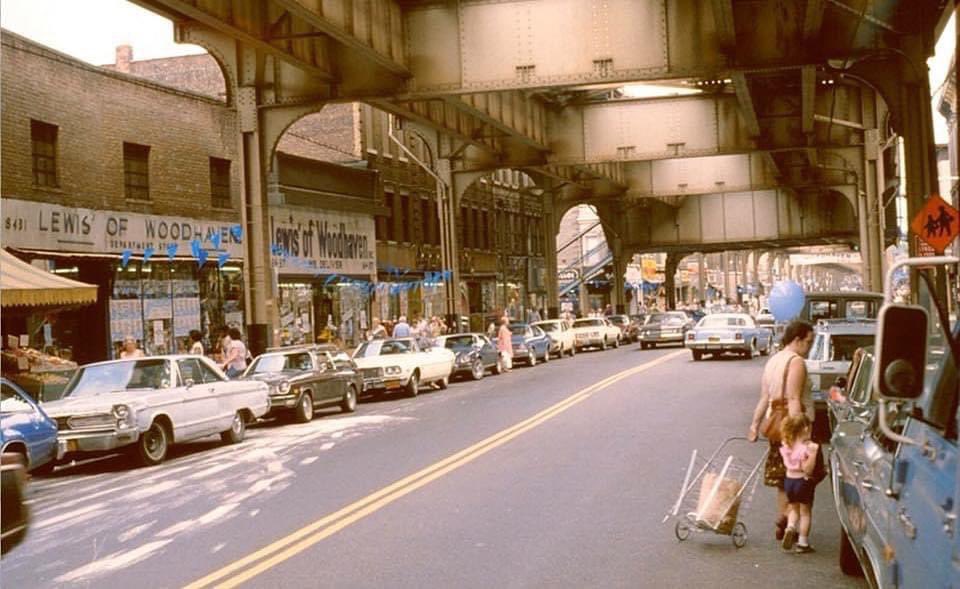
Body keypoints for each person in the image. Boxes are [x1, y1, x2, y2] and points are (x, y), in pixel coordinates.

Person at [747, 319, 815, 541]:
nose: (810, 347)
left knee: (784, 478)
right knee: (805, 476)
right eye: (808, 342)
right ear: (797, 339)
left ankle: (784, 519)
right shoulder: (796, 362)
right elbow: (794, 399)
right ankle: (795, 521)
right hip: (792, 426)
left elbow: (765, 398)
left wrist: (755, 424)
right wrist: (800, 436)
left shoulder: (773, 360)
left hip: (775, 425)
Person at [778, 414, 819, 553]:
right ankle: (803, 542)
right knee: (805, 513)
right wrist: (813, 454)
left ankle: (790, 527)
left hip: (789, 481)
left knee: (793, 509)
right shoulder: (805, 448)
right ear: (806, 428)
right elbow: (806, 468)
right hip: (802, 481)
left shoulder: (786, 445)